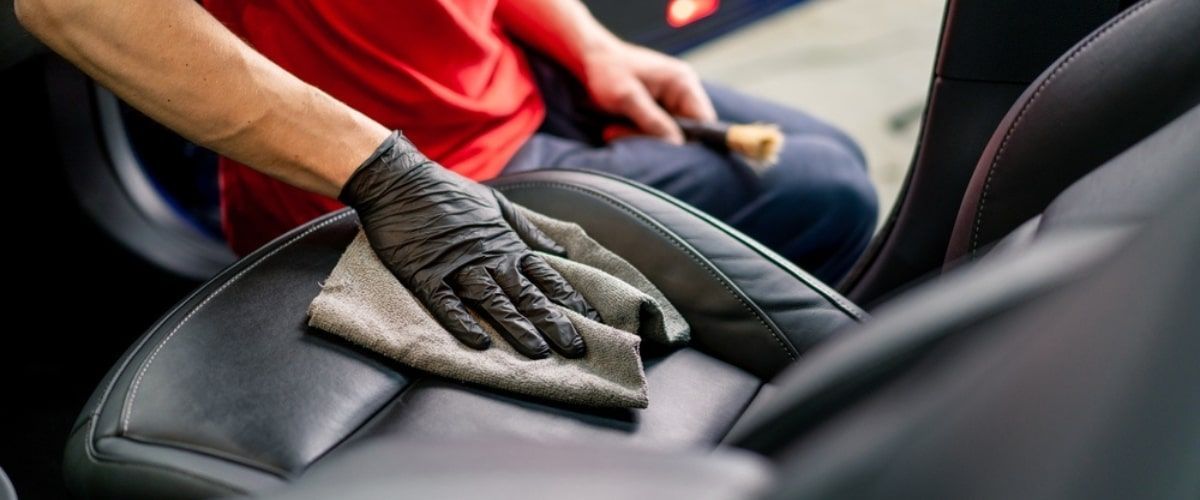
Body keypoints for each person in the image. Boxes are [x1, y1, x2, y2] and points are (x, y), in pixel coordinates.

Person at [16, 0, 875, 358]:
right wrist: (387, 178)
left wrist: (591, 47)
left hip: (520, 83)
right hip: (406, 186)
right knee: (825, 192)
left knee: (826, 163)